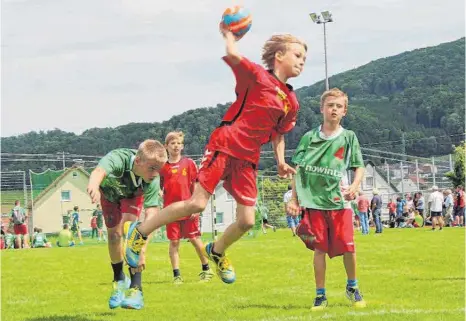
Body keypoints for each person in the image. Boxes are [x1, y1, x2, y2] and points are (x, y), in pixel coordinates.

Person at [125, 28, 307, 285]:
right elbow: (233, 54)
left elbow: (278, 134)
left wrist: (279, 161)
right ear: (278, 55)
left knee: (247, 220)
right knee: (197, 204)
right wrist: (230, 33)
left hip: (248, 158)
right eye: (297, 55)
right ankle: (140, 233)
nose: (301, 61)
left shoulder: (291, 101)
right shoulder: (255, 76)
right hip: (225, 144)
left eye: (304, 59)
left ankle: (217, 250)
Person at [286, 88, 367, 310]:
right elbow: (299, 169)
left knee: (349, 248)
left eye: (338, 106)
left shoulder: (349, 137)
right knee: (319, 250)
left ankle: (353, 288)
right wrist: (294, 199)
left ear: (344, 111)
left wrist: (354, 186)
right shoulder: (309, 138)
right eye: (330, 105)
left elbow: (359, 166)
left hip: (340, 202)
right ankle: (320, 295)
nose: (334, 109)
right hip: (313, 203)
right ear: (322, 108)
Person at [87, 140, 166, 310]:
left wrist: (141, 248)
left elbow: (152, 214)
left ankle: (136, 289)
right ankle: (119, 280)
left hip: (132, 195)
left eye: (159, 169)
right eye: (152, 168)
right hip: (109, 194)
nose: (155, 173)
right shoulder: (118, 159)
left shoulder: (152, 179)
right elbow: (99, 171)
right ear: (138, 161)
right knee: (114, 236)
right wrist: (93, 185)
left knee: (131, 231)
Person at [159, 131, 213, 284]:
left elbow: (196, 185)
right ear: (166, 146)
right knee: (174, 242)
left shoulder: (189, 163)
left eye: (178, 143)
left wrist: (195, 207)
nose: (175, 146)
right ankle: (177, 275)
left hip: (188, 209)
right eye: (172, 143)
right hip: (171, 211)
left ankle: (206, 269)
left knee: (195, 239)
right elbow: (161, 188)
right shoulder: (163, 168)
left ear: (182, 147)